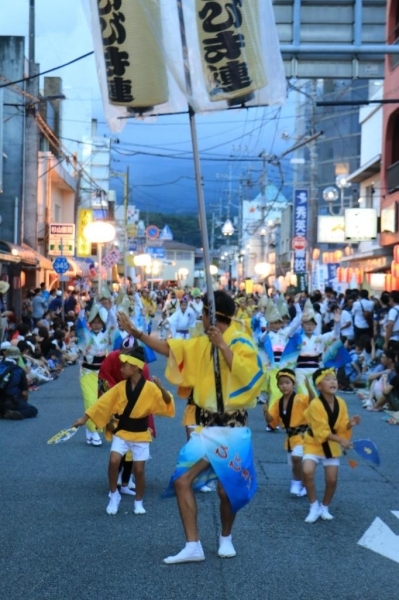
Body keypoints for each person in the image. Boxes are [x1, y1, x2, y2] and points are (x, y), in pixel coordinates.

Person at [117, 290, 264, 563]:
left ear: (211, 315)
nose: (201, 318)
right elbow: (169, 348)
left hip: (232, 429)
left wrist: (223, 346)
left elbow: (252, 376)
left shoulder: (241, 341)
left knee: (226, 490)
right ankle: (193, 545)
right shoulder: (201, 343)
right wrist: (136, 332)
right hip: (205, 428)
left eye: (203, 314)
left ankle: (226, 537)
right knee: (183, 481)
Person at [72, 346, 175, 516]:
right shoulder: (120, 387)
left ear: (134, 368)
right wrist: (84, 419)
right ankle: (114, 495)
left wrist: (162, 388)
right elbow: (102, 403)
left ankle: (138, 501)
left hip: (141, 433)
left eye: (124, 366)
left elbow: (166, 403)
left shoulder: (150, 387)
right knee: (113, 461)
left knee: (139, 471)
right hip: (122, 431)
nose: (120, 369)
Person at [302, 368, 360, 523]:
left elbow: (340, 427)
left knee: (332, 480)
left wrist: (349, 424)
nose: (332, 381)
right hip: (313, 443)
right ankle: (313, 506)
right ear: (319, 386)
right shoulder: (315, 404)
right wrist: (342, 441)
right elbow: (321, 431)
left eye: (333, 378)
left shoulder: (341, 402)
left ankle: (324, 507)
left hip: (331, 444)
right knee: (307, 471)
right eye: (327, 379)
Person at [76, 301, 120, 446]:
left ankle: (90, 431)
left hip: (101, 373)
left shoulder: (107, 335)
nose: (96, 325)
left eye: (99, 322)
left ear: (102, 323)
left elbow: (114, 325)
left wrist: (110, 310)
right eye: (93, 322)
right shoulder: (85, 334)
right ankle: (94, 431)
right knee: (91, 401)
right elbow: (80, 325)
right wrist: (82, 311)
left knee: (102, 402)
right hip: (87, 372)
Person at [263, 368, 311, 497]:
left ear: (293, 384)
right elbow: (271, 420)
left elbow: (313, 402)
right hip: (290, 438)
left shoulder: (301, 398)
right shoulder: (278, 403)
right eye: (281, 383)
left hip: (303, 436)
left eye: (287, 383)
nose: (284, 386)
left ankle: (296, 482)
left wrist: (308, 387)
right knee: (294, 464)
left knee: (297, 458)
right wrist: (265, 412)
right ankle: (304, 484)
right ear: (278, 386)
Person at [0, 346, 38, 419]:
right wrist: (23, 402)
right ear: (17, 358)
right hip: (10, 401)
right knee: (33, 410)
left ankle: (2, 412)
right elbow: (24, 393)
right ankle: (14, 413)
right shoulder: (19, 370)